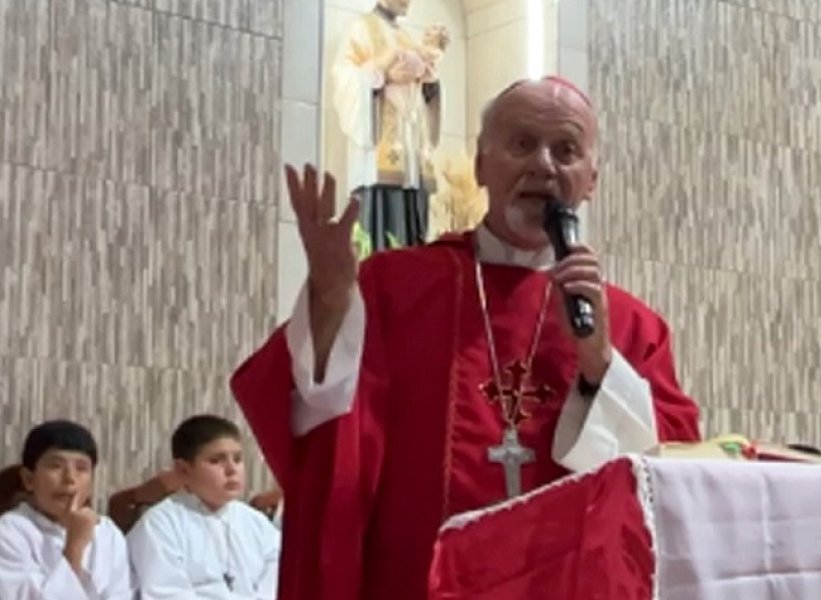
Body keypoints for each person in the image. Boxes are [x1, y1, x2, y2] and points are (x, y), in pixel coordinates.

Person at [232, 76, 702, 599]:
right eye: (522, 143)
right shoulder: (394, 288)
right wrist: (328, 301)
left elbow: (672, 478)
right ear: (480, 165)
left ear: (591, 179)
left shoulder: (631, 326)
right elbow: (327, 435)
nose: (543, 165)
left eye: (566, 150)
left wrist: (600, 365)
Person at [331, 0, 448, 250]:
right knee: (382, 239)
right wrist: (381, 75)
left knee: (412, 241)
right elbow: (344, 79)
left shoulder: (407, 39)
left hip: (411, 161)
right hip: (379, 161)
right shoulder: (361, 28)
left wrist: (430, 85)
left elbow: (422, 97)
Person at [126, 415, 280, 599]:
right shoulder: (160, 525)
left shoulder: (256, 523)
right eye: (216, 460)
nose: (232, 470)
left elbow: (279, 578)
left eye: (238, 459)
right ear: (183, 470)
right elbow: (165, 593)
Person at [0, 420, 132, 600]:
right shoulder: (9, 532)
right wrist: (75, 546)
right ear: (29, 479)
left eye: (81, 468)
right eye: (56, 466)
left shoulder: (108, 533)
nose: (70, 478)